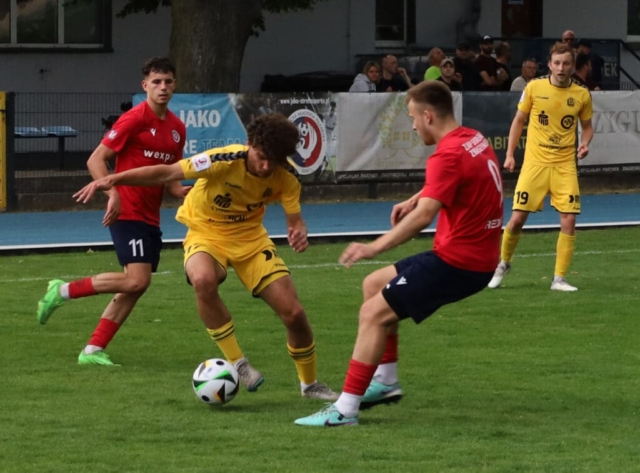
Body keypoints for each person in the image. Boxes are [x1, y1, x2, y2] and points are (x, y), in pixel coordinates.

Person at [73, 113, 339, 401]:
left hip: (251, 241)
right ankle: (239, 364)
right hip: (205, 233)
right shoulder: (221, 160)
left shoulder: (286, 177)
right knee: (203, 280)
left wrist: (298, 231)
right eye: (261, 157)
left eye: (273, 161)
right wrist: (113, 178)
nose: (266, 166)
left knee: (294, 313)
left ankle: (310, 385)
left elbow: (295, 220)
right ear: (249, 143)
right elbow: (165, 173)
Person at [294, 80, 504, 427]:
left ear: (428, 115)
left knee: (372, 314)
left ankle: (345, 410)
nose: (413, 125)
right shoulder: (472, 139)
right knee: (374, 284)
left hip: (460, 263)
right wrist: (416, 197)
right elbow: (459, 178)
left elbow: (424, 217)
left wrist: (373, 246)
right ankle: (386, 381)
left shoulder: (445, 155)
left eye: (412, 118)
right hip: (475, 256)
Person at [35, 57, 187, 366]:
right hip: (127, 211)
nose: (162, 87)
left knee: (134, 287)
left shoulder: (177, 129)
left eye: (168, 81)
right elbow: (95, 159)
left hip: (150, 216)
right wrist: (113, 194)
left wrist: (197, 191)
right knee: (137, 281)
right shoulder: (134, 119)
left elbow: (172, 182)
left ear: (175, 85)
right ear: (145, 85)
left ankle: (92, 350)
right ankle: (61, 291)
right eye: (156, 82)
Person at [488, 42, 594, 292]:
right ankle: (503, 264)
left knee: (569, 220)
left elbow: (587, 127)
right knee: (516, 220)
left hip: (565, 165)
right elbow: (518, 121)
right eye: (557, 63)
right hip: (535, 163)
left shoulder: (581, 94)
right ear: (549, 65)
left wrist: (585, 143)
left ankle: (559, 279)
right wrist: (510, 154)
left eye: (566, 63)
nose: (561, 68)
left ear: (572, 66)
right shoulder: (534, 87)